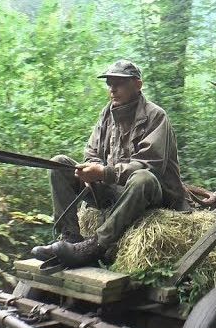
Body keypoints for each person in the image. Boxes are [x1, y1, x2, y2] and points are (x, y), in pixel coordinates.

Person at [31, 59, 189, 270]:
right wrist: (90, 170)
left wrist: (104, 173)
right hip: (114, 191)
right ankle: (70, 238)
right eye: (109, 84)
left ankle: (96, 245)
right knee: (59, 164)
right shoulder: (107, 113)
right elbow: (92, 152)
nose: (112, 89)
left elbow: (150, 165)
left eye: (119, 83)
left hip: (151, 196)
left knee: (143, 178)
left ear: (138, 85)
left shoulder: (156, 116)